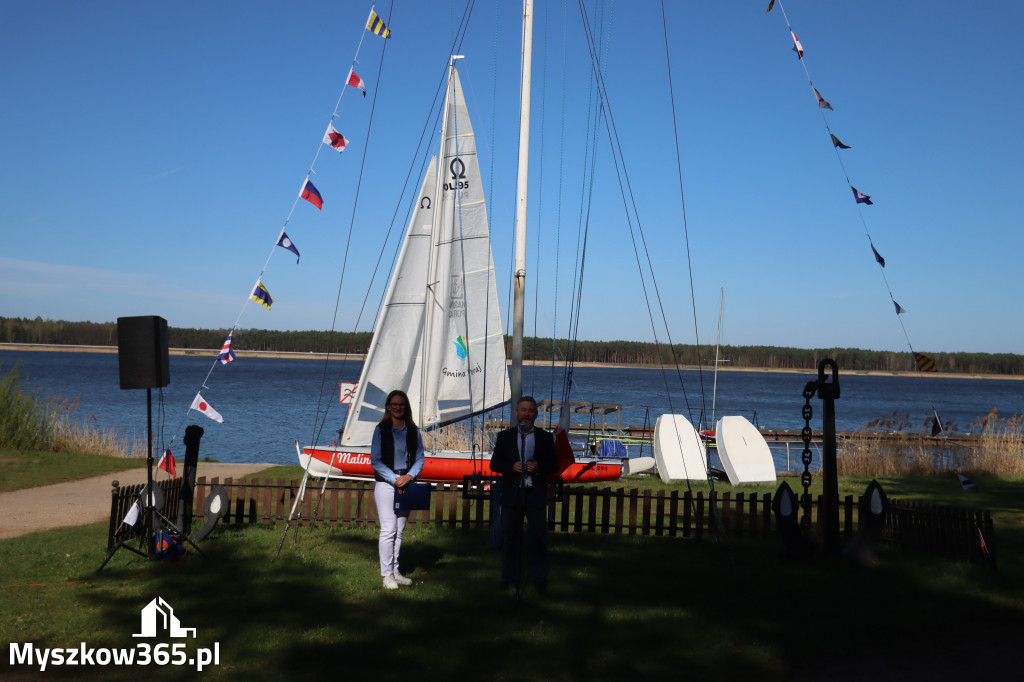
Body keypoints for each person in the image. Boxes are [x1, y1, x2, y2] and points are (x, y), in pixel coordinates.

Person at [489, 395, 558, 594]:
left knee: (538, 538)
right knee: (510, 538)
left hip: (534, 494)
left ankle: (539, 579)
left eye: (530, 411)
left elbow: (554, 465)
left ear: (535, 414)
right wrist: (511, 467)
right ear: (517, 413)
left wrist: (538, 467)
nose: (526, 414)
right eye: (523, 410)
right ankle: (508, 578)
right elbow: (495, 464)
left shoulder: (545, 438)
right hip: (512, 494)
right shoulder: (505, 437)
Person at [370, 389, 425, 590]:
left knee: (399, 531)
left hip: (407, 482)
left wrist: (409, 476)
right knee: (388, 530)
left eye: (401, 404)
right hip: (386, 484)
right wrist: (395, 479)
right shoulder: (380, 430)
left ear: (406, 406)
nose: (397, 407)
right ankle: (386, 575)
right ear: (388, 407)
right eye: (394, 404)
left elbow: (420, 458)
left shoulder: (413, 430)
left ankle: (395, 571)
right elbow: (375, 461)